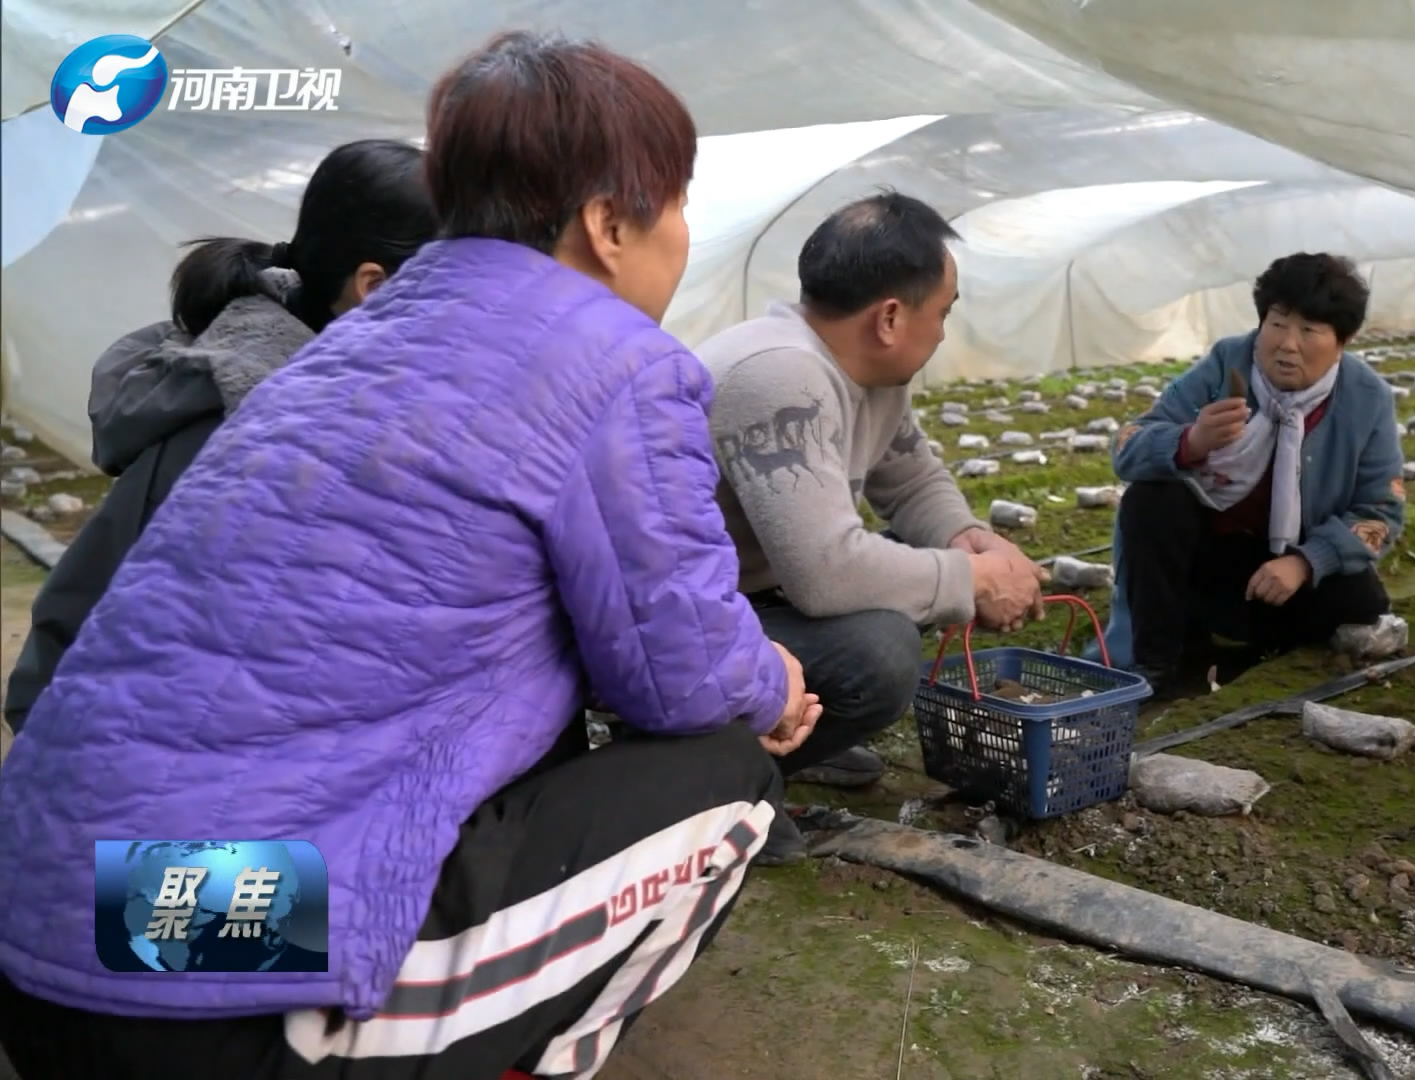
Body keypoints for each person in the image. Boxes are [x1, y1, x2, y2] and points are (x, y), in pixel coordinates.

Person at [0, 31, 822, 1080]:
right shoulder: (615, 365)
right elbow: (684, 676)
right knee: (725, 778)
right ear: (612, 224)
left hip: (51, 910)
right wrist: (775, 680)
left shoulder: (340, 349)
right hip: (191, 985)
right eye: (678, 204)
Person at [1, 138, 437, 740]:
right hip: (149, 807)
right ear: (374, 285)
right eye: (461, 284)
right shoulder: (243, 436)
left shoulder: (318, 400)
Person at [695, 192, 1048, 851]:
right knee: (879, 651)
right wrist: (972, 580)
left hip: (752, 597)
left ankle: (779, 740)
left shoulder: (869, 374)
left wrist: (966, 540)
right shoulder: (778, 375)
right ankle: (716, 787)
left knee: (904, 580)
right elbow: (825, 574)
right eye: (941, 314)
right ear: (890, 317)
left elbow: (912, 479)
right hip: (678, 620)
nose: (942, 332)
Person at [1098, 253, 1405, 698]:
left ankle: (1246, 645)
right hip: (1212, 554)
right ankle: (1158, 663)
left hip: (1287, 563)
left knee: (1361, 598)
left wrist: (1306, 561)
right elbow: (1128, 447)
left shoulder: (1366, 398)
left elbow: (1382, 511)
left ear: (1344, 339)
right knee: (1151, 502)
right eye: (1278, 323)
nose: (1288, 344)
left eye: (1309, 330)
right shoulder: (1228, 363)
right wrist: (1191, 441)